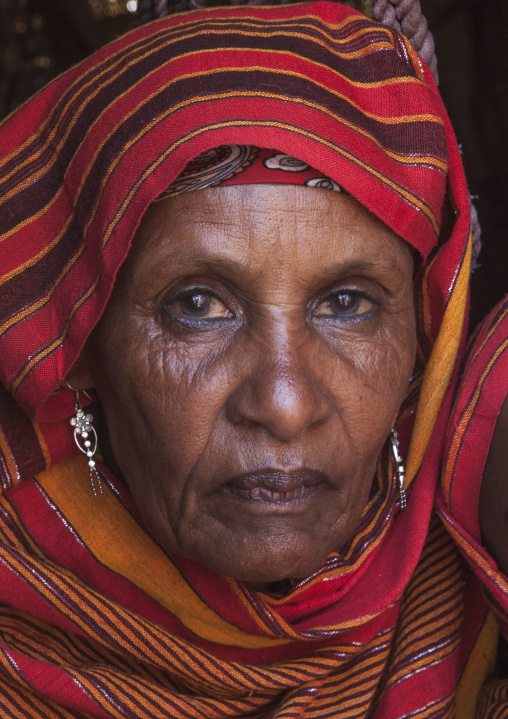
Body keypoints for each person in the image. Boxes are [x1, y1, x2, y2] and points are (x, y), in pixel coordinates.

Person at [0, 0, 506, 716]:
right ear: (79, 340)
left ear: (423, 343)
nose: (285, 403)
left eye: (348, 303)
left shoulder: (478, 575)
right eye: (198, 305)